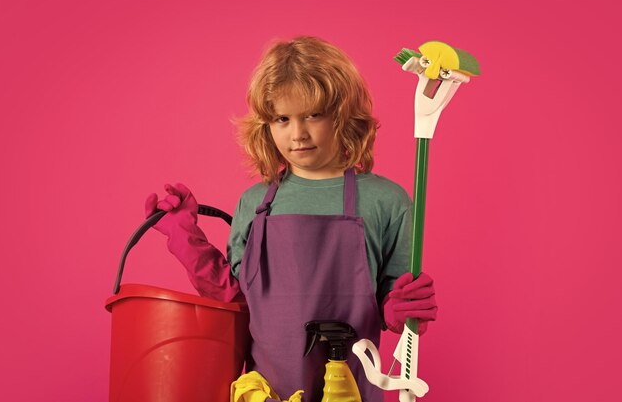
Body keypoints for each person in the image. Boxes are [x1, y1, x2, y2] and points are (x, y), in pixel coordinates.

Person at [146, 36, 437, 402]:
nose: (297, 134)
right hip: (267, 393)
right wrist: (184, 236)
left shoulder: (386, 201)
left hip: (351, 392)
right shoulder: (255, 204)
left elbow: (393, 299)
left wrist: (401, 310)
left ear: (344, 115)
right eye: (282, 118)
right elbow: (234, 297)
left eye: (313, 115)